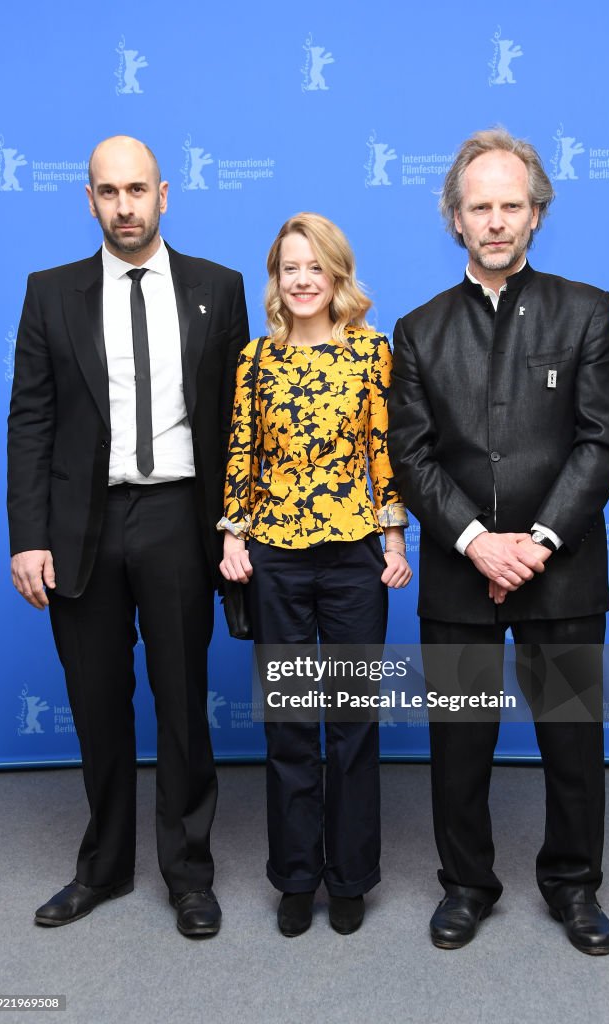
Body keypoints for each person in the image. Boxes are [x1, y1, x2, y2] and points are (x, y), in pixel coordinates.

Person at [388, 128, 609, 955]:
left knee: (571, 741)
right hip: (460, 576)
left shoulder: (586, 310)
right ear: (454, 219)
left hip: (560, 573)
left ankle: (572, 886)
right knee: (457, 743)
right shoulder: (416, 330)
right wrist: (474, 543)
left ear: (536, 215)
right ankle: (465, 885)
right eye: (478, 206)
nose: (495, 221)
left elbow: (602, 439)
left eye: (511, 206)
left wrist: (534, 541)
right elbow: (410, 457)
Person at [7, 135, 249, 937]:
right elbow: (30, 421)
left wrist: (233, 525)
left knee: (183, 701)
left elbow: (234, 424)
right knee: (97, 704)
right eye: (108, 192)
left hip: (180, 516)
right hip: (83, 525)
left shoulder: (220, 287)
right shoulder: (51, 294)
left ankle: (188, 875)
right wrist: (27, 536)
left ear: (165, 194)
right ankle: (104, 869)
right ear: (89, 200)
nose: (124, 206)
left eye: (137, 189)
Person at [218, 213, 411, 937]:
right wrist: (233, 534)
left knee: (353, 724)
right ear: (276, 279)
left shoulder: (370, 352)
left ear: (337, 275)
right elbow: (242, 451)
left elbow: (381, 451)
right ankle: (297, 877)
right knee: (291, 724)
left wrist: (395, 542)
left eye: (313, 267)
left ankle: (351, 876)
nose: (300, 280)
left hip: (355, 558)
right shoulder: (255, 360)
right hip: (274, 559)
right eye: (287, 268)